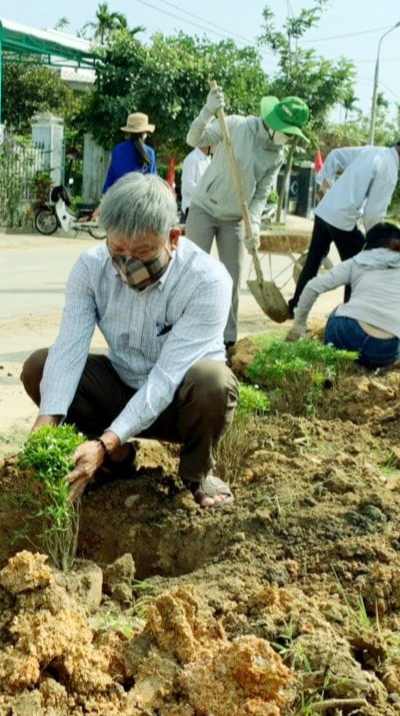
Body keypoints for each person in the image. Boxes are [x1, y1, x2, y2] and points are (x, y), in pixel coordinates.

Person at [21, 173, 239, 508]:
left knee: (213, 381)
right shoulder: (91, 269)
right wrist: (45, 426)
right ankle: (117, 459)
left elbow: (166, 379)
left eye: (142, 251)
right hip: (121, 386)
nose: (128, 264)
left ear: (174, 238)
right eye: (118, 249)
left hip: (179, 404)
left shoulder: (207, 281)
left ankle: (197, 475)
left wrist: (104, 442)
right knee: (40, 366)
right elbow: (69, 349)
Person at [184, 86, 312, 347]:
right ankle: (184, 331)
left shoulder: (276, 155)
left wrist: (253, 225)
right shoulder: (236, 125)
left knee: (231, 280)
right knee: (191, 273)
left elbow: (262, 193)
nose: (289, 138)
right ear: (274, 124)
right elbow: (193, 139)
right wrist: (208, 110)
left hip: (235, 219)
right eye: (287, 133)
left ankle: (228, 341)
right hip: (204, 209)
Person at [287, 129, 400, 317]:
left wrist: (325, 184)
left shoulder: (372, 151)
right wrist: (377, 244)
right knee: (359, 266)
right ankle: (349, 314)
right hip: (342, 220)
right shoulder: (389, 170)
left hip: (324, 211)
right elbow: (373, 214)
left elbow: (335, 155)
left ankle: (295, 308)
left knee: (313, 261)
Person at [288, 223, 400, 370]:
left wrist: (298, 326)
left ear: (369, 245)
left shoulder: (358, 260)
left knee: (340, 309)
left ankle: (330, 365)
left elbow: (313, 286)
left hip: (348, 335)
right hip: (387, 349)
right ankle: (372, 367)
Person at [103, 112, 157, 193]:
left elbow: (110, 180)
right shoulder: (149, 152)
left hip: (119, 198)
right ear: (144, 132)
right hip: (141, 200)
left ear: (129, 132)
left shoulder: (117, 150)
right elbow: (152, 183)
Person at [179, 144, 212, 224]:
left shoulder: (208, 160)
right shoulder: (192, 159)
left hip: (205, 208)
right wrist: (205, 193)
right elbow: (188, 184)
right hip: (193, 208)